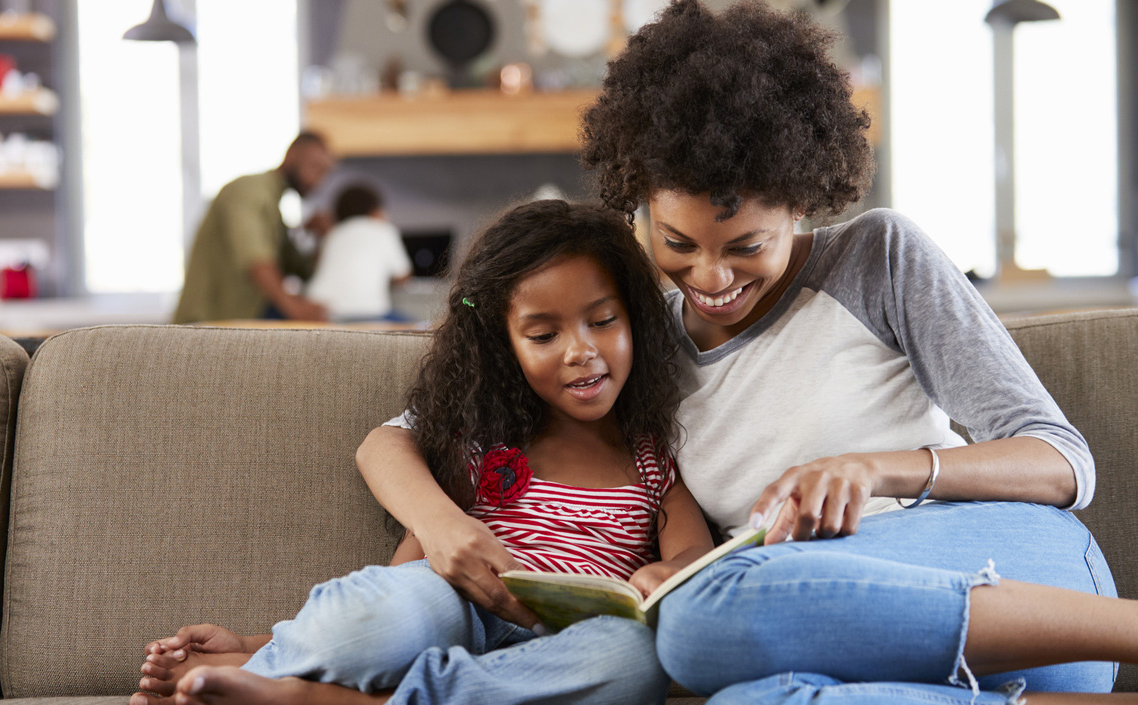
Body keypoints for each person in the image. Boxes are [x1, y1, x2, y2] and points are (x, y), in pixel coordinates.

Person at [356, 2, 1138, 704]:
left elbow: (1065, 462)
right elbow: (399, 436)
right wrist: (441, 525)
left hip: (1026, 582)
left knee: (699, 620)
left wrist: (879, 468)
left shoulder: (878, 258)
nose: (711, 278)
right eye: (677, 244)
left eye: (746, 246)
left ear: (803, 199)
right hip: (817, 626)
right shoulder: (632, 342)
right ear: (639, 207)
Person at [132, 200, 715, 705]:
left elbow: (695, 552)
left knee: (634, 661)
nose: (581, 351)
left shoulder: (652, 461)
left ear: (635, 320)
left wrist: (665, 572)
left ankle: (310, 695)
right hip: (459, 613)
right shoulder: (485, 446)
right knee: (403, 605)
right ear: (503, 344)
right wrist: (255, 637)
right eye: (544, 335)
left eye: (604, 321)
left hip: (567, 644)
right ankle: (271, 664)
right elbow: (398, 594)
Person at [172, 131, 334, 325]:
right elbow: (255, 258)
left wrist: (323, 237)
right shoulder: (248, 191)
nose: (319, 180)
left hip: (238, 322)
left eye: (325, 173)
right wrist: (295, 308)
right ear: (292, 155)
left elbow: (302, 270)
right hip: (205, 325)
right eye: (316, 167)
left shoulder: (274, 209)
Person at [306, 183, 413, 322]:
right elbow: (403, 277)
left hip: (320, 309)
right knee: (419, 326)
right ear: (375, 211)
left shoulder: (334, 233)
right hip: (368, 311)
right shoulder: (384, 230)